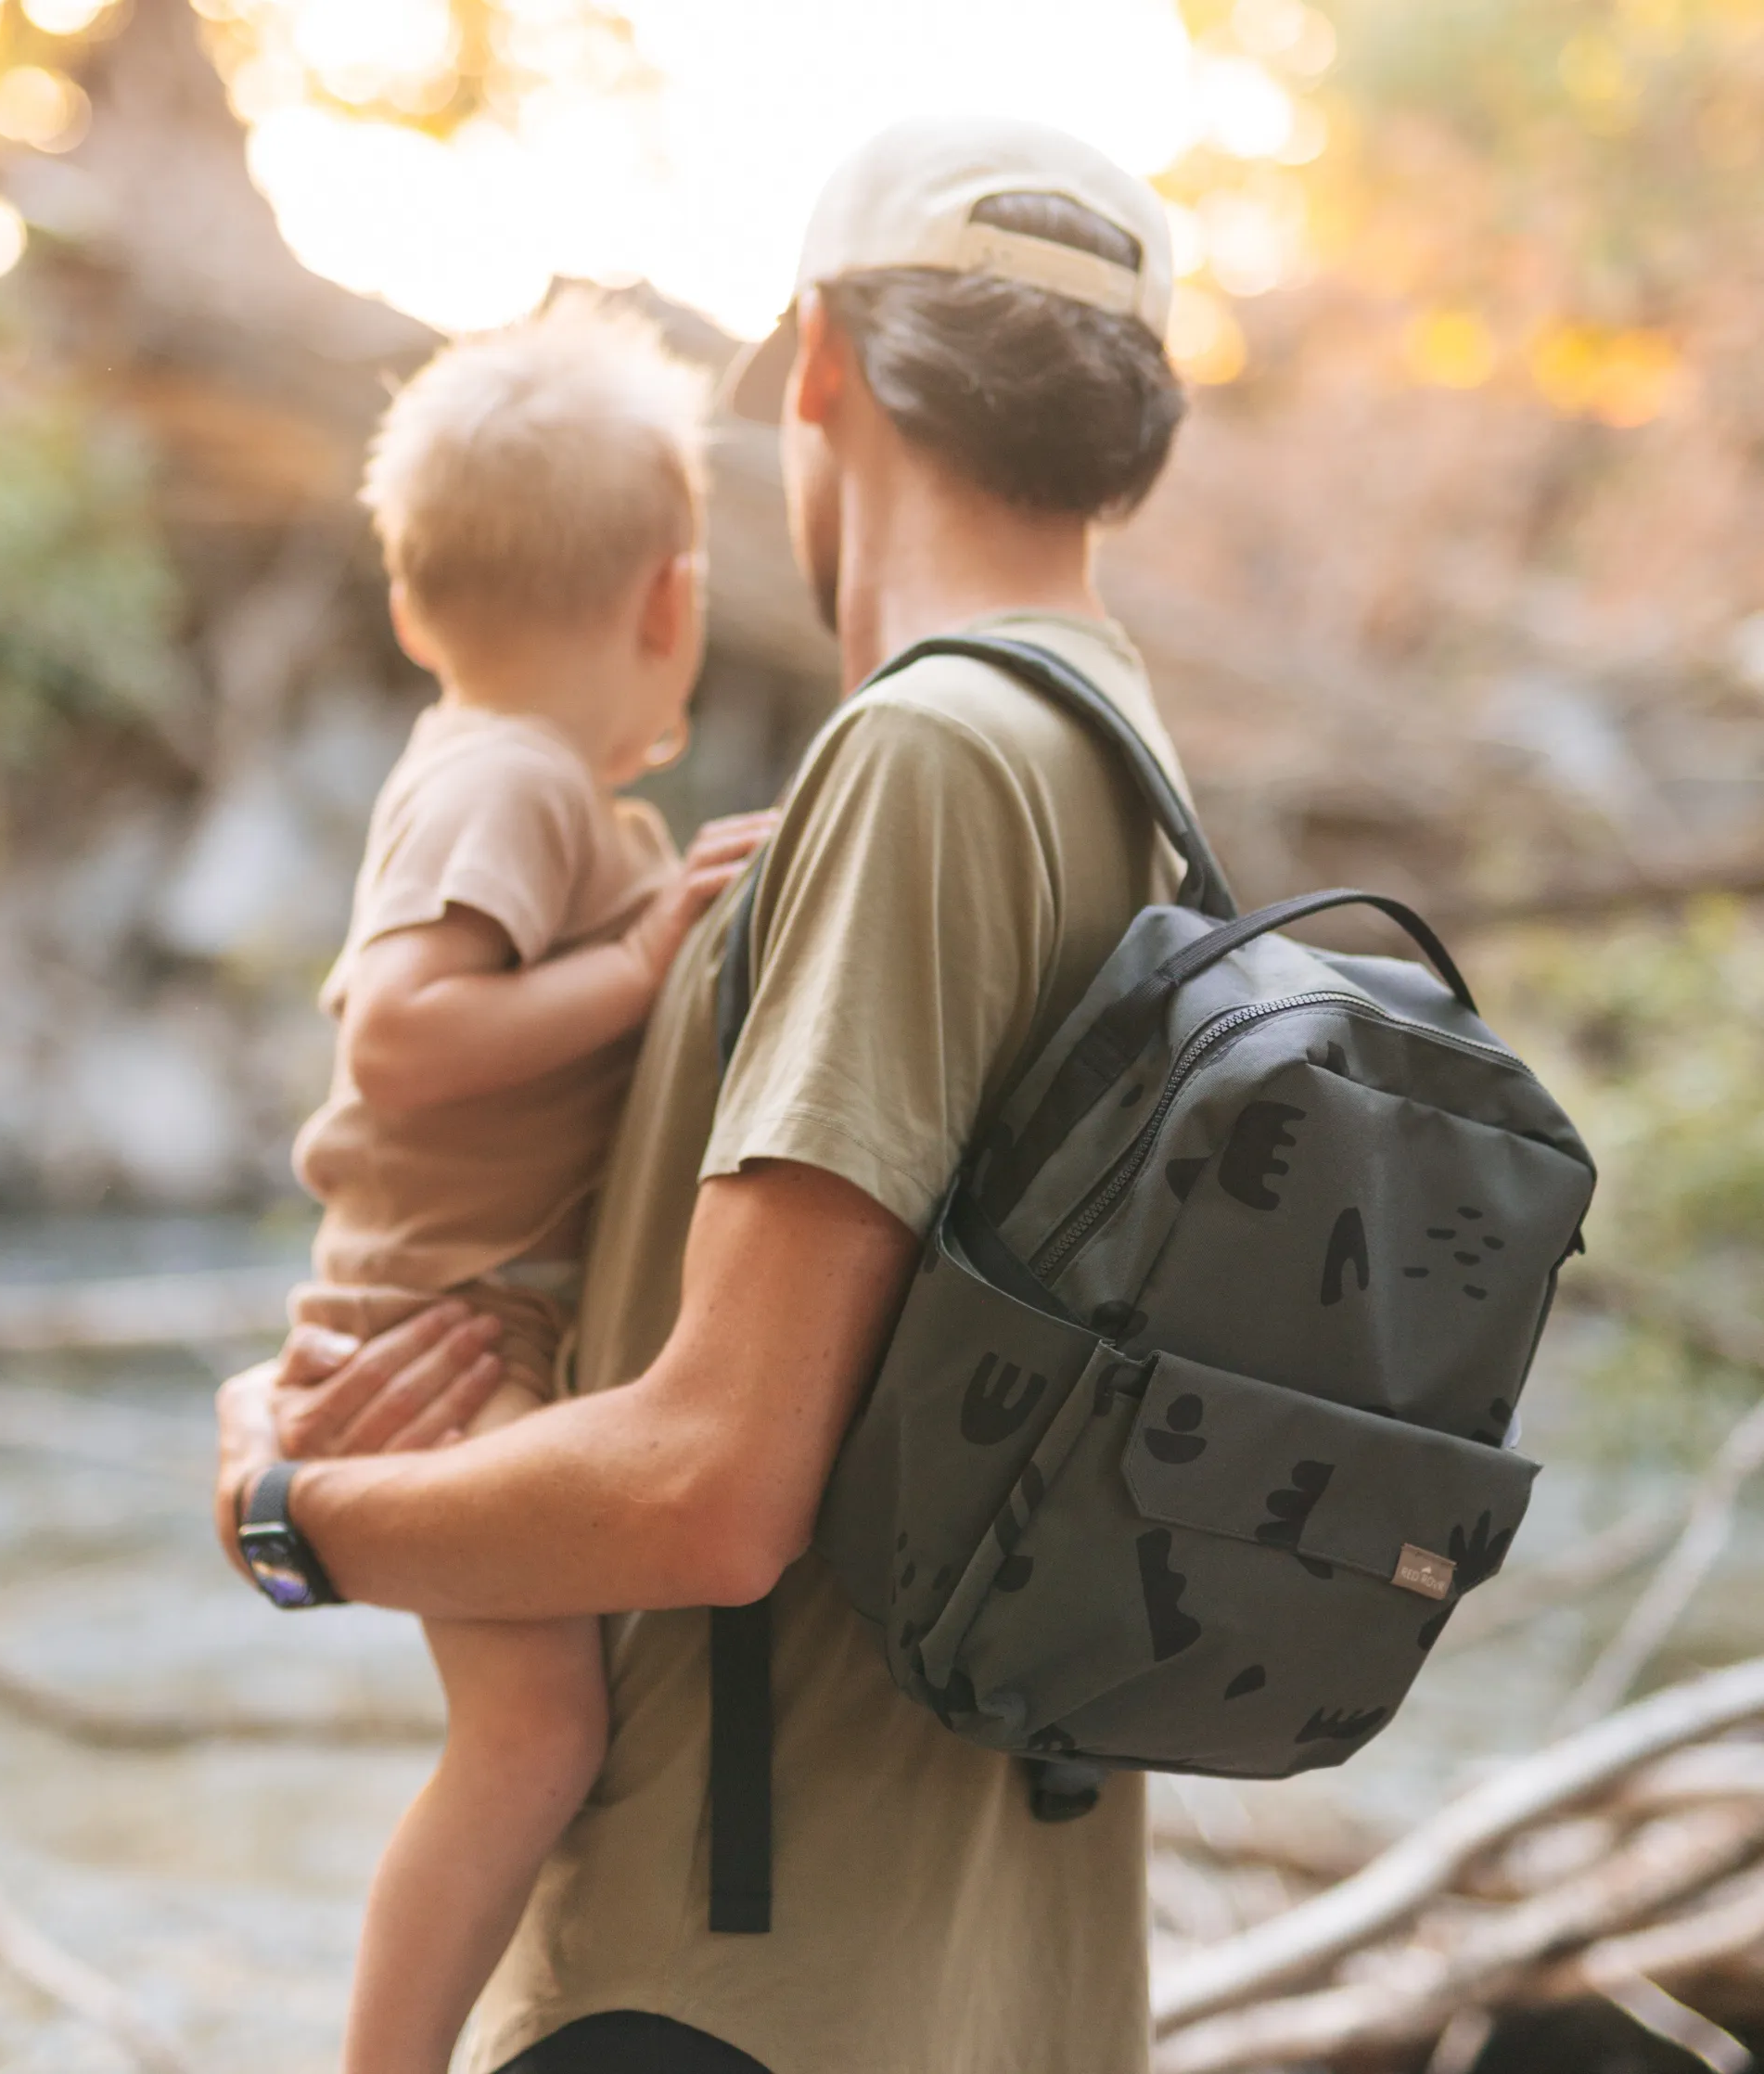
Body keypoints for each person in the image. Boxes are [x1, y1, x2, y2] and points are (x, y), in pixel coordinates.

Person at [220, 115, 1195, 2074]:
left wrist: (289, 1508)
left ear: (819, 367)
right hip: (989, 1976)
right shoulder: (1117, 752)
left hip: (733, 1981)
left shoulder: (926, 760)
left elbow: (710, 1488)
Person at [268, 291, 772, 2074]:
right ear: (672, 598)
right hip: (446, 1332)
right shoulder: (511, 782)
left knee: (541, 1731)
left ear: (411, 603)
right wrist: (641, 969)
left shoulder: (513, 782)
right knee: (533, 1739)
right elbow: (402, 1036)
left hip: (458, 1312)